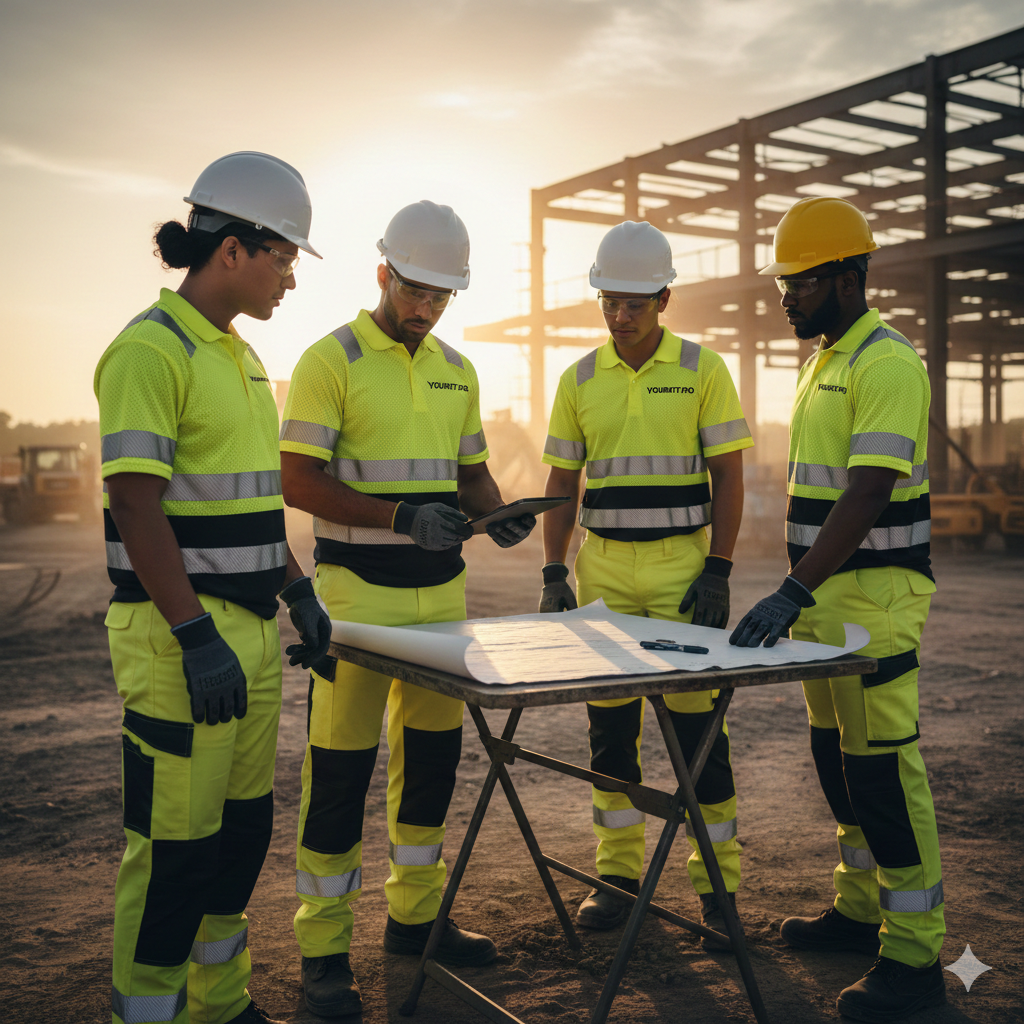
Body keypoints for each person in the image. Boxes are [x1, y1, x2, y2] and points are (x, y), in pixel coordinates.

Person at [280, 200, 536, 1018]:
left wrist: (499, 514)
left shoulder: (459, 368)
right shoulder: (330, 360)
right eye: (417, 289)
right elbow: (297, 480)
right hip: (354, 603)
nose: (427, 307)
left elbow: (470, 477)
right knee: (340, 777)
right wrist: (397, 517)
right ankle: (323, 953)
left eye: (442, 296)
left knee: (428, 767)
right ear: (383, 273)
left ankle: (416, 921)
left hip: (444, 605)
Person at [95, 152, 332, 1024]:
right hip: (178, 641)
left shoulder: (239, 359)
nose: (292, 277)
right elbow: (135, 502)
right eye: (285, 256)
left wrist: (298, 594)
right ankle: (148, 1014)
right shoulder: (148, 352)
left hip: (251, 639)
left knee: (238, 841)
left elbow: (251, 512)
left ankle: (217, 1005)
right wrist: (194, 636)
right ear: (234, 249)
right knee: (171, 854)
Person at [730, 196, 945, 1022]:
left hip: (877, 597)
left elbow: (868, 492)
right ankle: (860, 913)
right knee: (837, 762)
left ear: (854, 277)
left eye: (805, 281)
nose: (787, 296)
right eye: (783, 282)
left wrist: (789, 590)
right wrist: (802, 592)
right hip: (827, 598)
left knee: (885, 774)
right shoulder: (825, 357)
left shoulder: (887, 363)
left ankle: (918, 959)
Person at [539, 221, 752, 949]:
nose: (620, 315)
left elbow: (729, 474)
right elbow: (561, 483)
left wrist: (719, 567)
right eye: (608, 300)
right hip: (601, 571)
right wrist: (551, 571)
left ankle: (718, 889)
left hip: (682, 573)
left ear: (664, 296)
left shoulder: (703, 368)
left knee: (699, 739)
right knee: (611, 735)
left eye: (634, 302)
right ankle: (618, 878)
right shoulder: (578, 379)